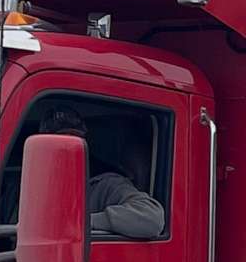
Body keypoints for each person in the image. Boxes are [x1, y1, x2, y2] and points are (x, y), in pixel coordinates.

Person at [31, 102, 168, 239]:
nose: (69, 150)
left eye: (75, 142)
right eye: (58, 144)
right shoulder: (32, 186)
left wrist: (84, 222)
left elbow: (152, 219)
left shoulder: (104, 184)